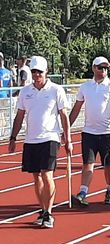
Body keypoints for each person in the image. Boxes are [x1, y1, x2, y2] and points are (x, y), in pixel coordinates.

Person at [8, 56, 72, 229]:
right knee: (36, 177)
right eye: (34, 72)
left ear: (46, 72)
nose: (36, 75)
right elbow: (19, 116)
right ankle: (43, 210)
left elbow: (64, 115)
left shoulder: (56, 90)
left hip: (50, 137)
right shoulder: (25, 91)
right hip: (31, 139)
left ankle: (49, 212)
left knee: (47, 174)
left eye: (39, 72)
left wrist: (68, 138)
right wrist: (13, 138)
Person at [69, 56, 110, 206]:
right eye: (100, 67)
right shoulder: (85, 87)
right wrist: (66, 128)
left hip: (108, 133)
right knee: (88, 163)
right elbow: (76, 108)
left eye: (106, 68)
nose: (103, 70)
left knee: (109, 165)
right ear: (93, 68)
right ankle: (83, 192)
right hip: (89, 132)